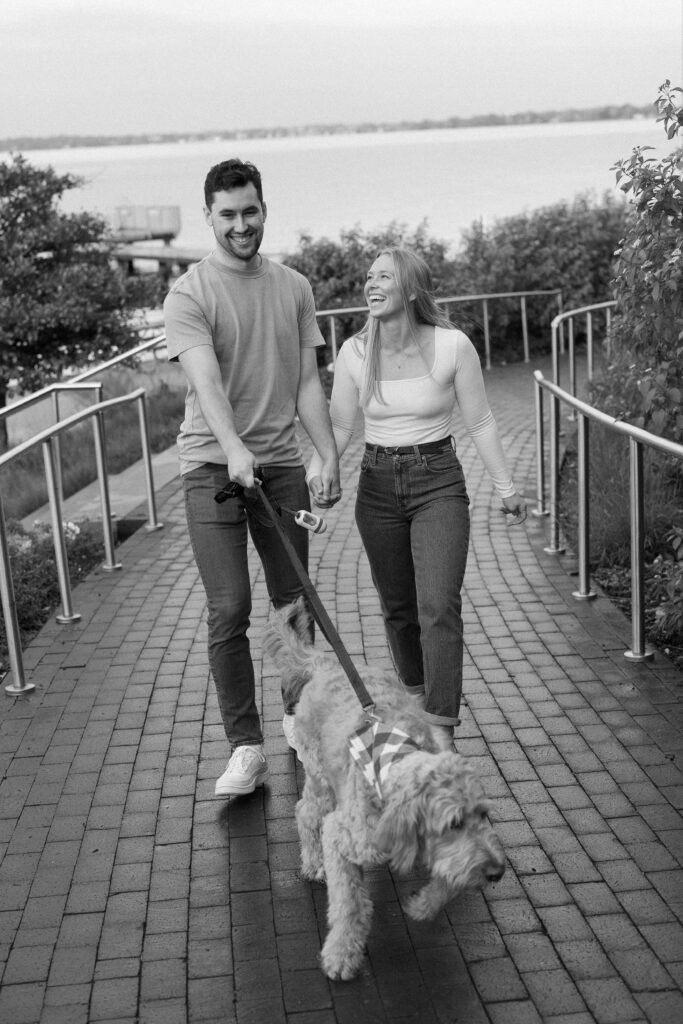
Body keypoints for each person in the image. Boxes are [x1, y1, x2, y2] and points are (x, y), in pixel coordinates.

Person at [164, 158, 340, 798]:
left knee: (293, 606)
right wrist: (234, 448)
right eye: (228, 215)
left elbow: (304, 382)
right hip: (212, 467)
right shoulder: (189, 294)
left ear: (264, 210)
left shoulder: (293, 287)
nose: (241, 225)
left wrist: (327, 453)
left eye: (250, 212)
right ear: (208, 217)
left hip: (283, 470)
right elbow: (206, 380)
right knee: (230, 607)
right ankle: (245, 745)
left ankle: (300, 720)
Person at [307, 247, 525, 748]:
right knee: (399, 608)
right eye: (368, 276)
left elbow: (482, 421)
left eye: (384, 275)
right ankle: (415, 700)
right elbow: (339, 426)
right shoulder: (355, 353)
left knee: (438, 604)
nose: (370, 283)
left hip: (439, 482)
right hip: (378, 486)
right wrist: (320, 472)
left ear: (410, 288)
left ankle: (441, 729)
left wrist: (507, 489)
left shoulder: (452, 346)